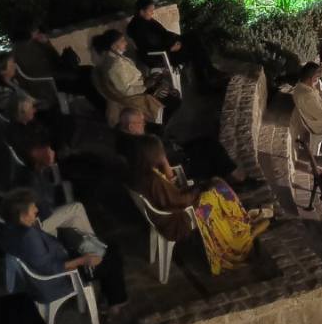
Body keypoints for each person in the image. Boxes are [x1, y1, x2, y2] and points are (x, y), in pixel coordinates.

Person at [130, 134, 267, 274]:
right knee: (216, 192)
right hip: (179, 220)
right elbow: (180, 201)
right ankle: (237, 235)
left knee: (216, 185)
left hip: (169, 214)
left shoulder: (142, 174)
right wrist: (198, 189)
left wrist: (166, 165)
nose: (163, 153)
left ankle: (239, 222)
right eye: (161, 151)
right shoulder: (154, 181)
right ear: (153, 154)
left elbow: (171, 190)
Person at [0, 188, 128, 324]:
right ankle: (115, 311)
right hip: (61, 278)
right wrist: (83, 260)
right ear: (22, 215)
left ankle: (108, 298)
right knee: (112, 260)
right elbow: (49, 268)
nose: (36, 209)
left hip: (54, 266)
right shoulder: (29, 237)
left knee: (110, 249)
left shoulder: (11, 229)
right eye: (32, 207)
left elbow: (40, 258)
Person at [113, 107, 252, 187]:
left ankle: (231, 175)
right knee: (211, 153)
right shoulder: (138, 146)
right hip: (179, 165)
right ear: (131, 127)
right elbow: (163, 167)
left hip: (176, 152)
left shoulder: (126, 133)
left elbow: (156, 131)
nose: (144, 125)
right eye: (141, 123)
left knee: (207, 141)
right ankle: (235, 179)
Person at [91, 28, 178, 125]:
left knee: (173, 96)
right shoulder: (114, 65)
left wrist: (149, 79)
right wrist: (146, 86)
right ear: (113, 46)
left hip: (142, 87)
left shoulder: (118, 58)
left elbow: (133, 78)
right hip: (135, 97)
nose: (126, 43)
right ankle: (162, 124)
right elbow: (126, 91)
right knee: (173, 101)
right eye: (122, 41)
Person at [127, 0, 216, 87]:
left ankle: (209, 75)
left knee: (193, 36)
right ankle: (207, 78)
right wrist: (170, 49)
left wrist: (177, 39)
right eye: (150, 11)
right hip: (162, 56)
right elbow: (147, 49)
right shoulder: (136, 28)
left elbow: (164, 32)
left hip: (169, 46)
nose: (152, 13)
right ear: (141, 11)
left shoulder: (148, 21)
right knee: (194, 49)